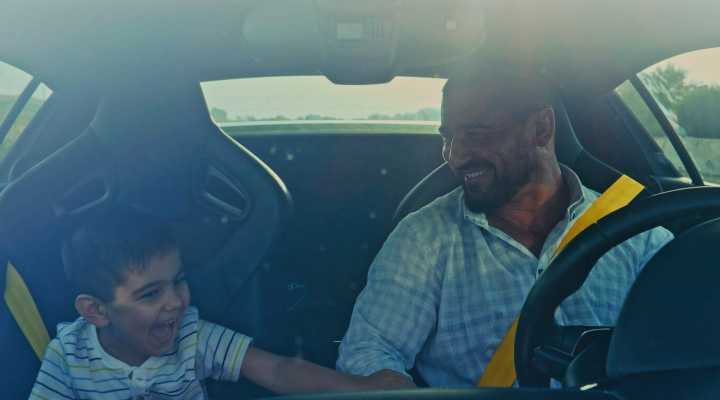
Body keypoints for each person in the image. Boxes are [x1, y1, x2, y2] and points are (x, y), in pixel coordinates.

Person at [336, 57, 674, 387]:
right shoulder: (423, 239)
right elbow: (368, 353)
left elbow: (682, 350)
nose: (455, 157)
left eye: (477, 134)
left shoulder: (638, 236)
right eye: (448, 138)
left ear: (541, 129)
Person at [29, 209, 408, 399]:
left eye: (179, 281)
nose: (176, 302)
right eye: (150, 294)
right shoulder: (68, 355)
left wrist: (361, 387)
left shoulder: (192, 336)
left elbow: (276, 369)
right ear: (95, 311)